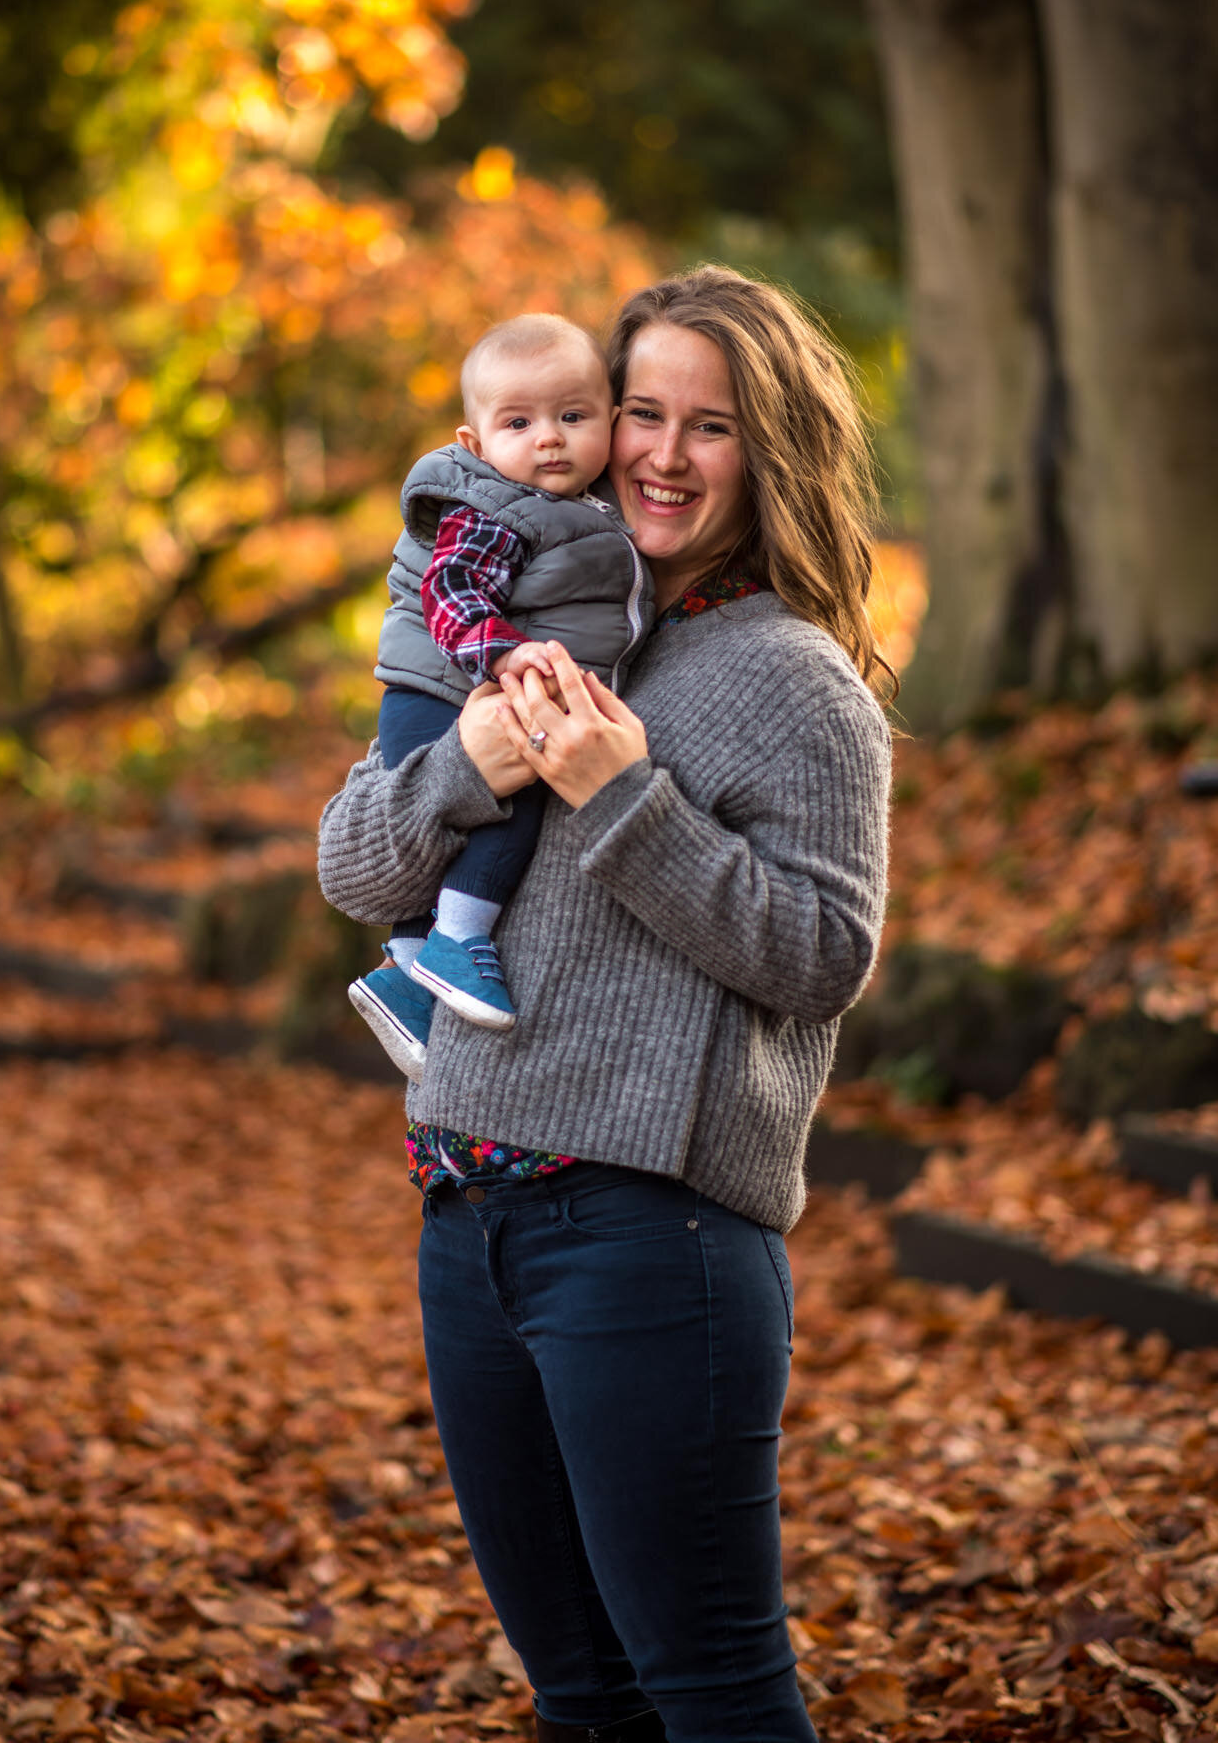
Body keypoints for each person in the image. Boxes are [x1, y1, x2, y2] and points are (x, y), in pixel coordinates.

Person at [317, 265, 894, 1743]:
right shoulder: (528, 615)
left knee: (705, 1698)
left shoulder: (793, 679)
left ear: (769, 455)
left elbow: (822, 953)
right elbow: (351, 865)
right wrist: (476, 768)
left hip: (651, 1238)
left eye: (709, 428)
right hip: (467, 1217)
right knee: (582, 1700)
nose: (657, 451)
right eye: (640, 410)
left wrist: (618, 795)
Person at [350, 312, 650, 1082]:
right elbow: (451, 592)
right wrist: (505, 654)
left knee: (502, 792)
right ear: (475, 445)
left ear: (610, 424)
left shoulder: (581, 512)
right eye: (519, 422)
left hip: (451, 689)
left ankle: (406, 976)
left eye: (572, 416)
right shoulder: (495, 509)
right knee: (515, 799)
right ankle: (457, 938)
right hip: (442, 688)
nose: (548, 437)